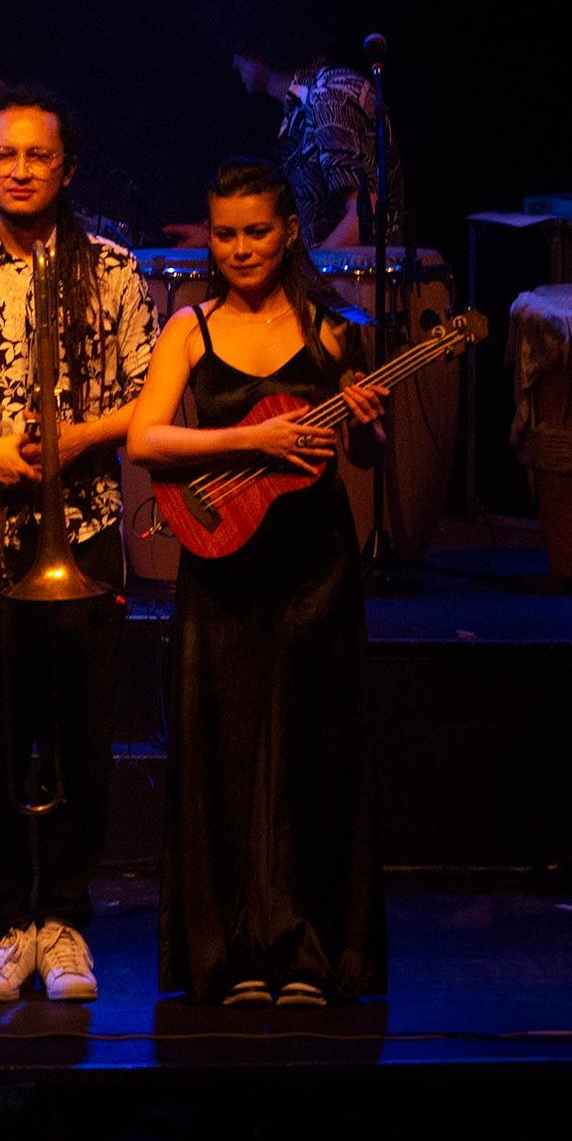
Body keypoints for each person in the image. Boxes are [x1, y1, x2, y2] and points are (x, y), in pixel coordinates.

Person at [0, 86, 158, 1003]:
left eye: (37, 156)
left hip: (83, 531)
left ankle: (67, 922)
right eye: (3, 156)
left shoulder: (116, 271)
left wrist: (82, 438)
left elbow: (149, 394)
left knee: (84, 737)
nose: (18, 171)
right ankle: (10, 924)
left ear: (67, 168)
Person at [126, 158, 389, 1007]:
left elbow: (363, 455)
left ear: (288, 233)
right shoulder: (189, 329)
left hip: (316, 563)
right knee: (227, 755)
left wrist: (369, 432)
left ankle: (310, 952)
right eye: (226, 234)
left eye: (256, 232)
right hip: (225, 565)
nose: (240, 249)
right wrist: (252, 443)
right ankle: (232, 952)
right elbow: (148, 442)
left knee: (313, 750)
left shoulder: (335, 328)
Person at [196, 0, 405, 249]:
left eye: (235, 45)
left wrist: (304, 289)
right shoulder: (298, 109)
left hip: (353, 293)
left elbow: (365, 214)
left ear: (254, 37)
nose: (232, 60)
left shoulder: (330, 94)